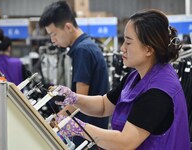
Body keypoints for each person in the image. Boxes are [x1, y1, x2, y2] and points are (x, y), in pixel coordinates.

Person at [51, 9, 191, 150]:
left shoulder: (159, 92)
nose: (122, 48)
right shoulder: (135, 76)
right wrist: (75, 99)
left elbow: (125, 143)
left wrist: (79, 128)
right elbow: (104, 105)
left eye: (128, 43)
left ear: (149, 50)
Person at [39, 1, 110, 147]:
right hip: (91, 128)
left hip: (87, 130)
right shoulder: (87, 46)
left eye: (54, 34)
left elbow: (77, 99)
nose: (52, 40)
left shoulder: (82, 50)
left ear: (68, 27)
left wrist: (55, 120)